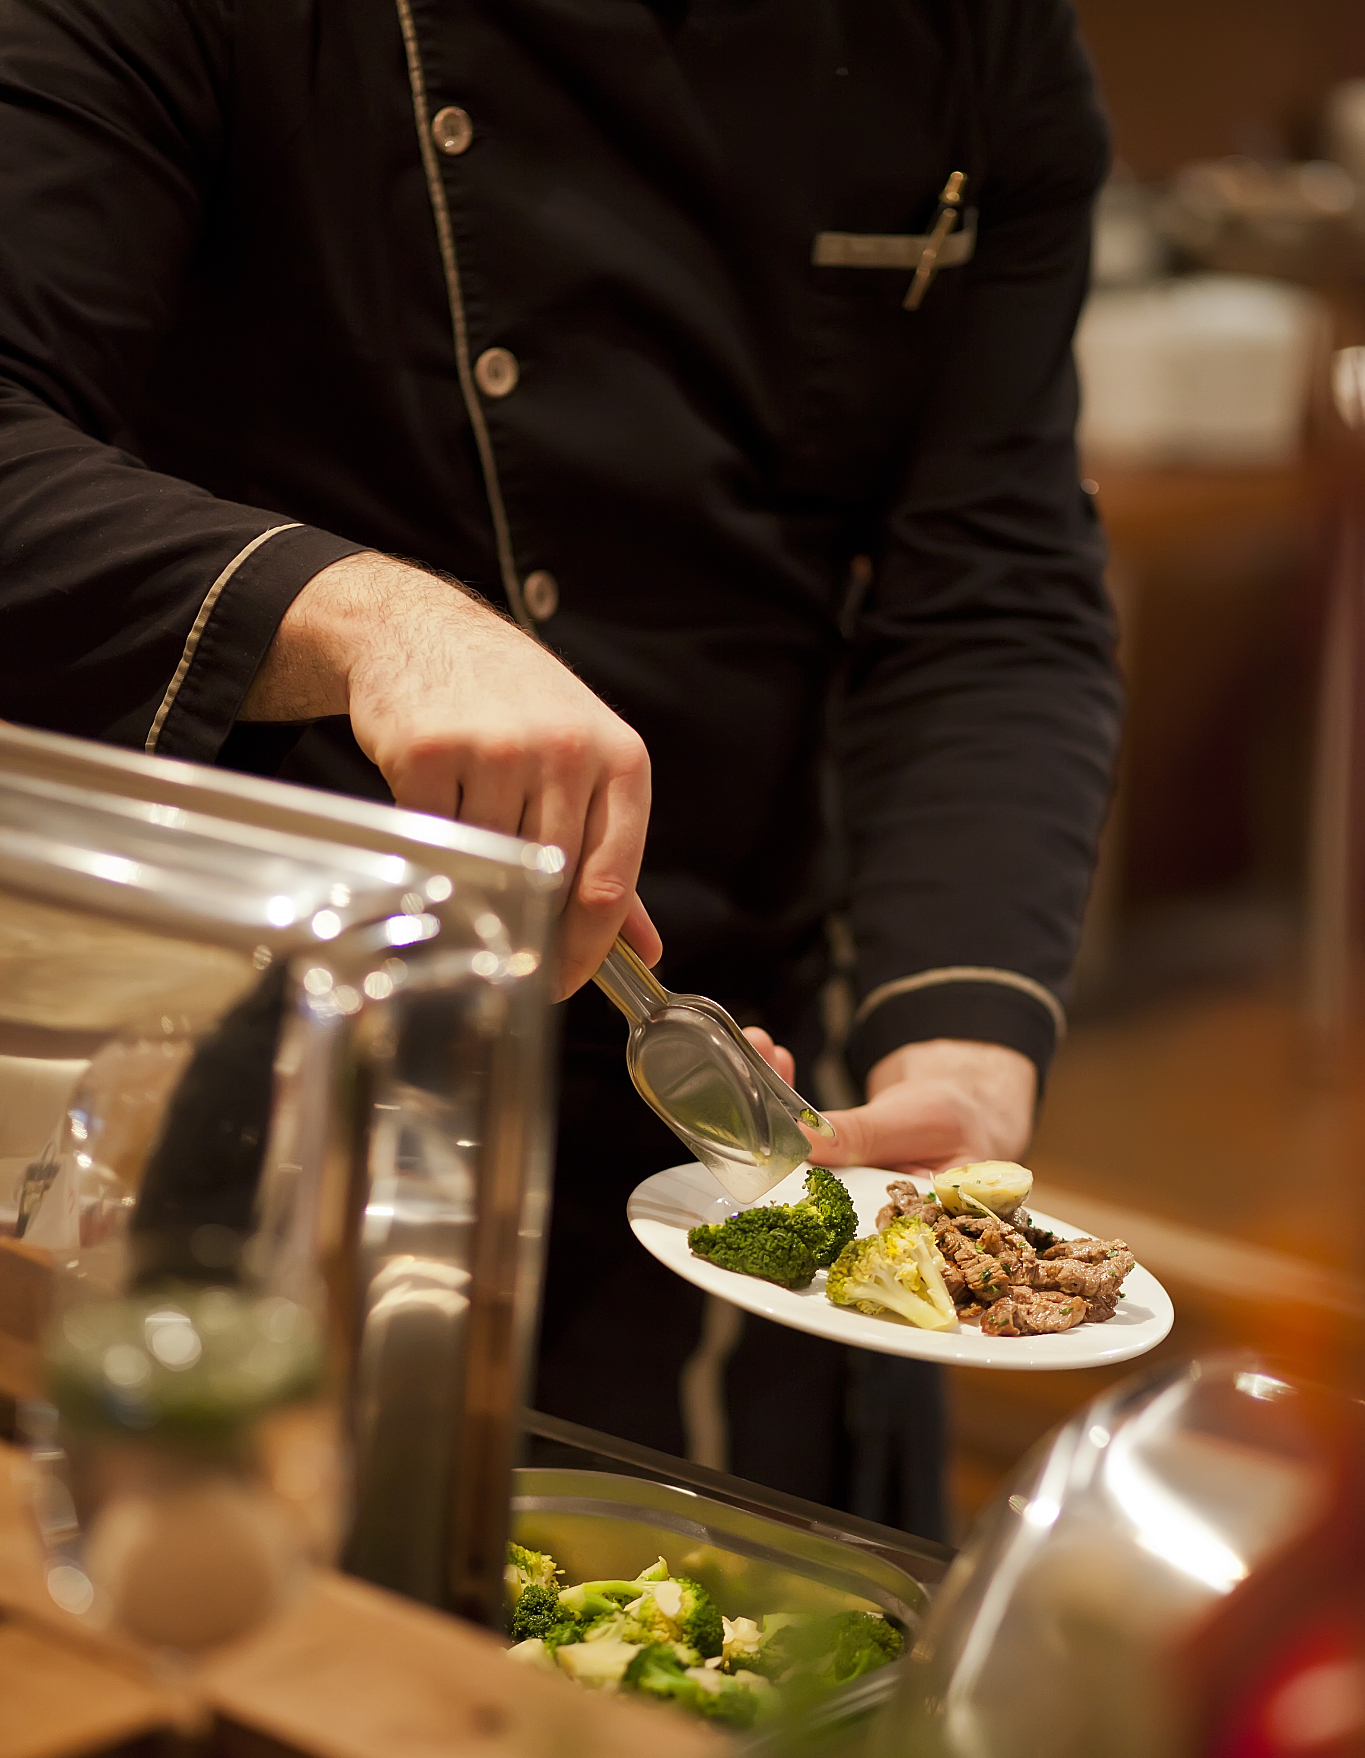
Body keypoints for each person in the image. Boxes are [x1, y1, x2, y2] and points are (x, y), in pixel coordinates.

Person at [0, 0, 1121, 1538]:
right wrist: (362, 619)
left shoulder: (970, 41)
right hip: (228, 1070)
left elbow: (990, 585)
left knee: (740, 1698)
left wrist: (963, 1050)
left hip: (721, 1077)